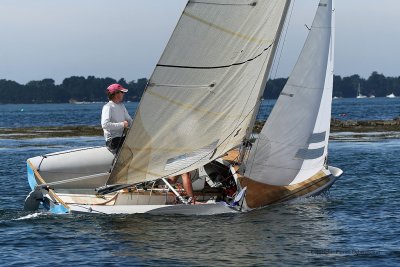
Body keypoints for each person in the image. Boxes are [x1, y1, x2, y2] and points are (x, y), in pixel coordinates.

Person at [101, 83, 133, 153]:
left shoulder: (122, 106)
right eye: (122, 92)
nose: (123, 94)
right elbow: (105, 125)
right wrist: (122, 124)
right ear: (115, 94)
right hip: (112, 141)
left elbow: (129, 121)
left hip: (122, 138)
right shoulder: (108, 107)